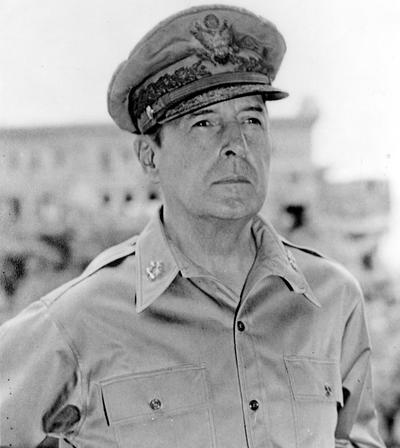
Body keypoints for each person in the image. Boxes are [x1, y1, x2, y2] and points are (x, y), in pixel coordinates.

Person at [0, 5, 385, 448]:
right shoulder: (79, 318)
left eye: (251, 120)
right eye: (205, 122)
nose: (236, 145)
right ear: (149, 157)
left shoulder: (333, 299)